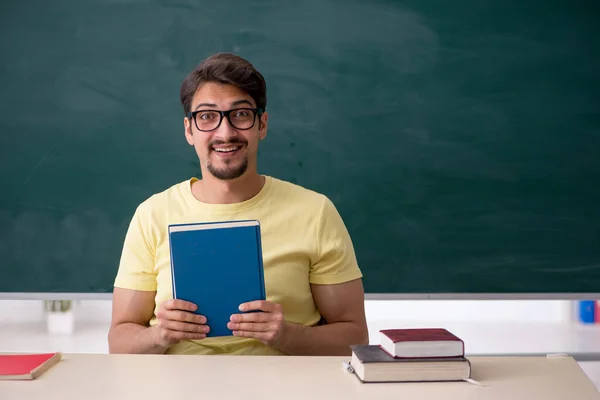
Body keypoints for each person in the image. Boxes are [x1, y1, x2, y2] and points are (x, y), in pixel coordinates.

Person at [108, 53, 369, 356]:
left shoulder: (315, 212)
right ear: (189, 130)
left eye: (241, 114)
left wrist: (287, 336)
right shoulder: (152, 215)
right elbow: (119, 341)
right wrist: (159, 335)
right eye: (207, 117)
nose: (225, 132)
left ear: (262, 124)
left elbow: (355, 337)